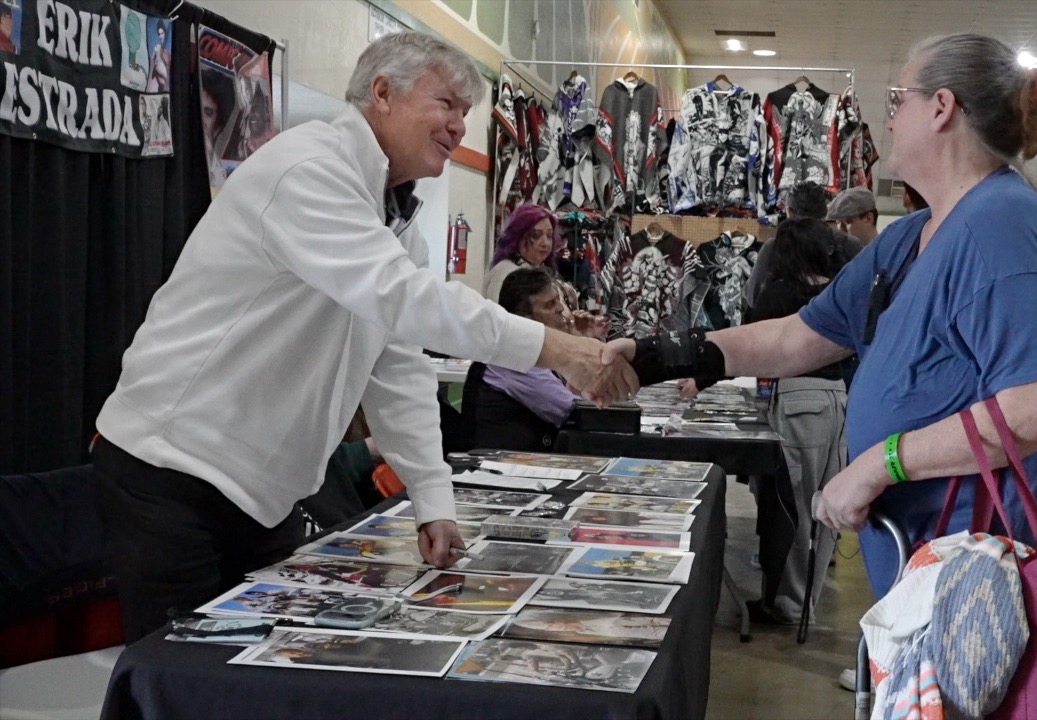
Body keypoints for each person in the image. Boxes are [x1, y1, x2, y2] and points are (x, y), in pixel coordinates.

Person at [92, 32, 636, 643]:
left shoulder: (393, 212)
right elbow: (402, 296)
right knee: (183, 679)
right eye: (447, 104)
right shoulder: (309, 169)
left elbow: (398, 368)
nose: (460, 126)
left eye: (466, 112)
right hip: (174, 472)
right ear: (381, 92)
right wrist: (559, 348)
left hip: (261, 491)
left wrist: (433, 498)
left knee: (250, 674)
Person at [604, 30, 1037, 623]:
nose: (888, 121)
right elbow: (795, 338)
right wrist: (658, 355)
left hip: (993, 572)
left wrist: (878, 463)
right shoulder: (911, 237)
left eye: (898, 101)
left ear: (941, 109)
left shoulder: (1001, 223)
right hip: (933, 561)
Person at [742, 217, 849, 625]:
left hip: (796, 398)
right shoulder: (838, 293)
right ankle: (807, 601)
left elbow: (756, 346)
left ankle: (786, 604)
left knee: (792, 507)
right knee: (825, 508)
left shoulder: (780, 292)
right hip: (838, 398)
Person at [465, 267, 590, 451]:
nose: (560, 308)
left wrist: (576, 340)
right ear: (525, 319)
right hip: (502, 469)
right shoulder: (516, 359)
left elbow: (581, 391)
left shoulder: (534, 350)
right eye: (549, 305)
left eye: (558, 300)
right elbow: (574, 410)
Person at [743, 181, 860, 313]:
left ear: (790, 212)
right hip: (834, 325)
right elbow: (861, 295)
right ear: (825, 211)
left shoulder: (774, 246)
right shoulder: (849, 243)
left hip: (783, 325)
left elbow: (752, 297)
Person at [483, 204, 562, 302]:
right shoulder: (505, 274)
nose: (545, 243)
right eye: (536, 235)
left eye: (549, 236)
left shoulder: (536, 270)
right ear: (518, 237)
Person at [145, 21, 171, 92]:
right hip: (157, 68)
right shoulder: (158, 47)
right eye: (159, 34)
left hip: (161, 69)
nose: (160, 36)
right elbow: (152, 57)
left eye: (162, 33)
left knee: (163, 84)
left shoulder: (166, 50)